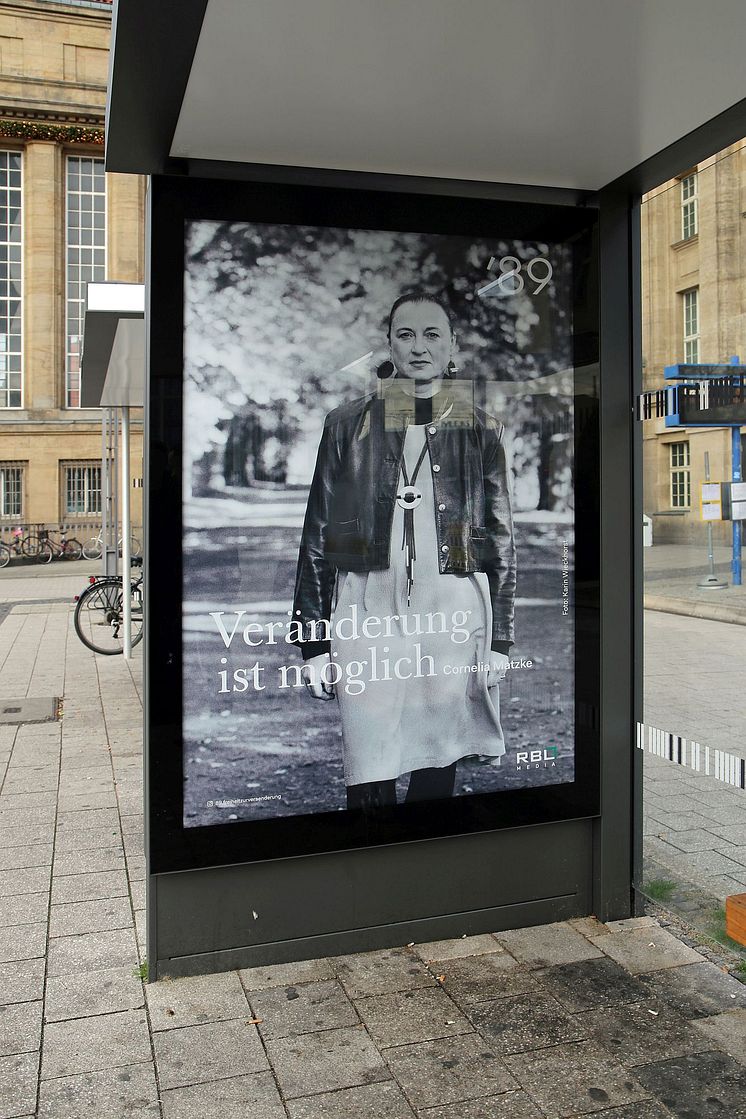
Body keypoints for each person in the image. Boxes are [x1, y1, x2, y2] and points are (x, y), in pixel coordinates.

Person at [292, 292, 516, 810]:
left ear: (453, 345)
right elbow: (318, 533)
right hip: (367, 605)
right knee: (369, 762)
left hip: (451, 610)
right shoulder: (347, 425)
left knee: (437, 760)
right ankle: (366, 876)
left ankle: (419, 874)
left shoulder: (481, 429)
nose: (419, 346)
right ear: (390, 343)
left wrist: (500, 639)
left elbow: (500, 540)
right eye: (406, 334)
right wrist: (313, 642)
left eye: (432, 334)